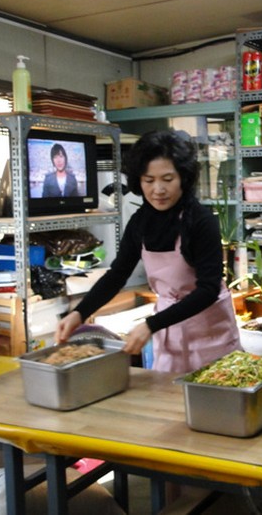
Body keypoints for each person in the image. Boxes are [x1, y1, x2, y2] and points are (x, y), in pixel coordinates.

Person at [56, 130, 241, 374]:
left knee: (215, 386)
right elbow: (117, 275)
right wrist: (79, 313)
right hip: (169, 328)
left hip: (209, 330)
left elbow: (208, 289)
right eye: (149, 180)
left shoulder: (200, 221)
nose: (158, 189)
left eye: (167, 179)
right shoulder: (140, 222)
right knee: (166, 391)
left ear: (183, 178)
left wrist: (151, 325)